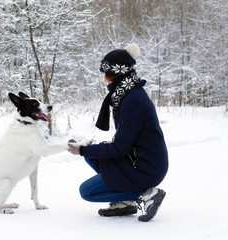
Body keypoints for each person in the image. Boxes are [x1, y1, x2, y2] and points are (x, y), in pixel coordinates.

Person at [68, 43, 168, 222]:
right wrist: (85, 148)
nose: (106, 79)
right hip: (138, 159)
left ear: (121, 74)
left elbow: (120, 148)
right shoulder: (126, 94)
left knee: (87, 192)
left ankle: (146, 193)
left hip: (145, 167)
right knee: (92, 154)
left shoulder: (133, 101)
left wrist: (82, 150)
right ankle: (124, 202)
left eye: (108, 75)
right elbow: (123, 143)